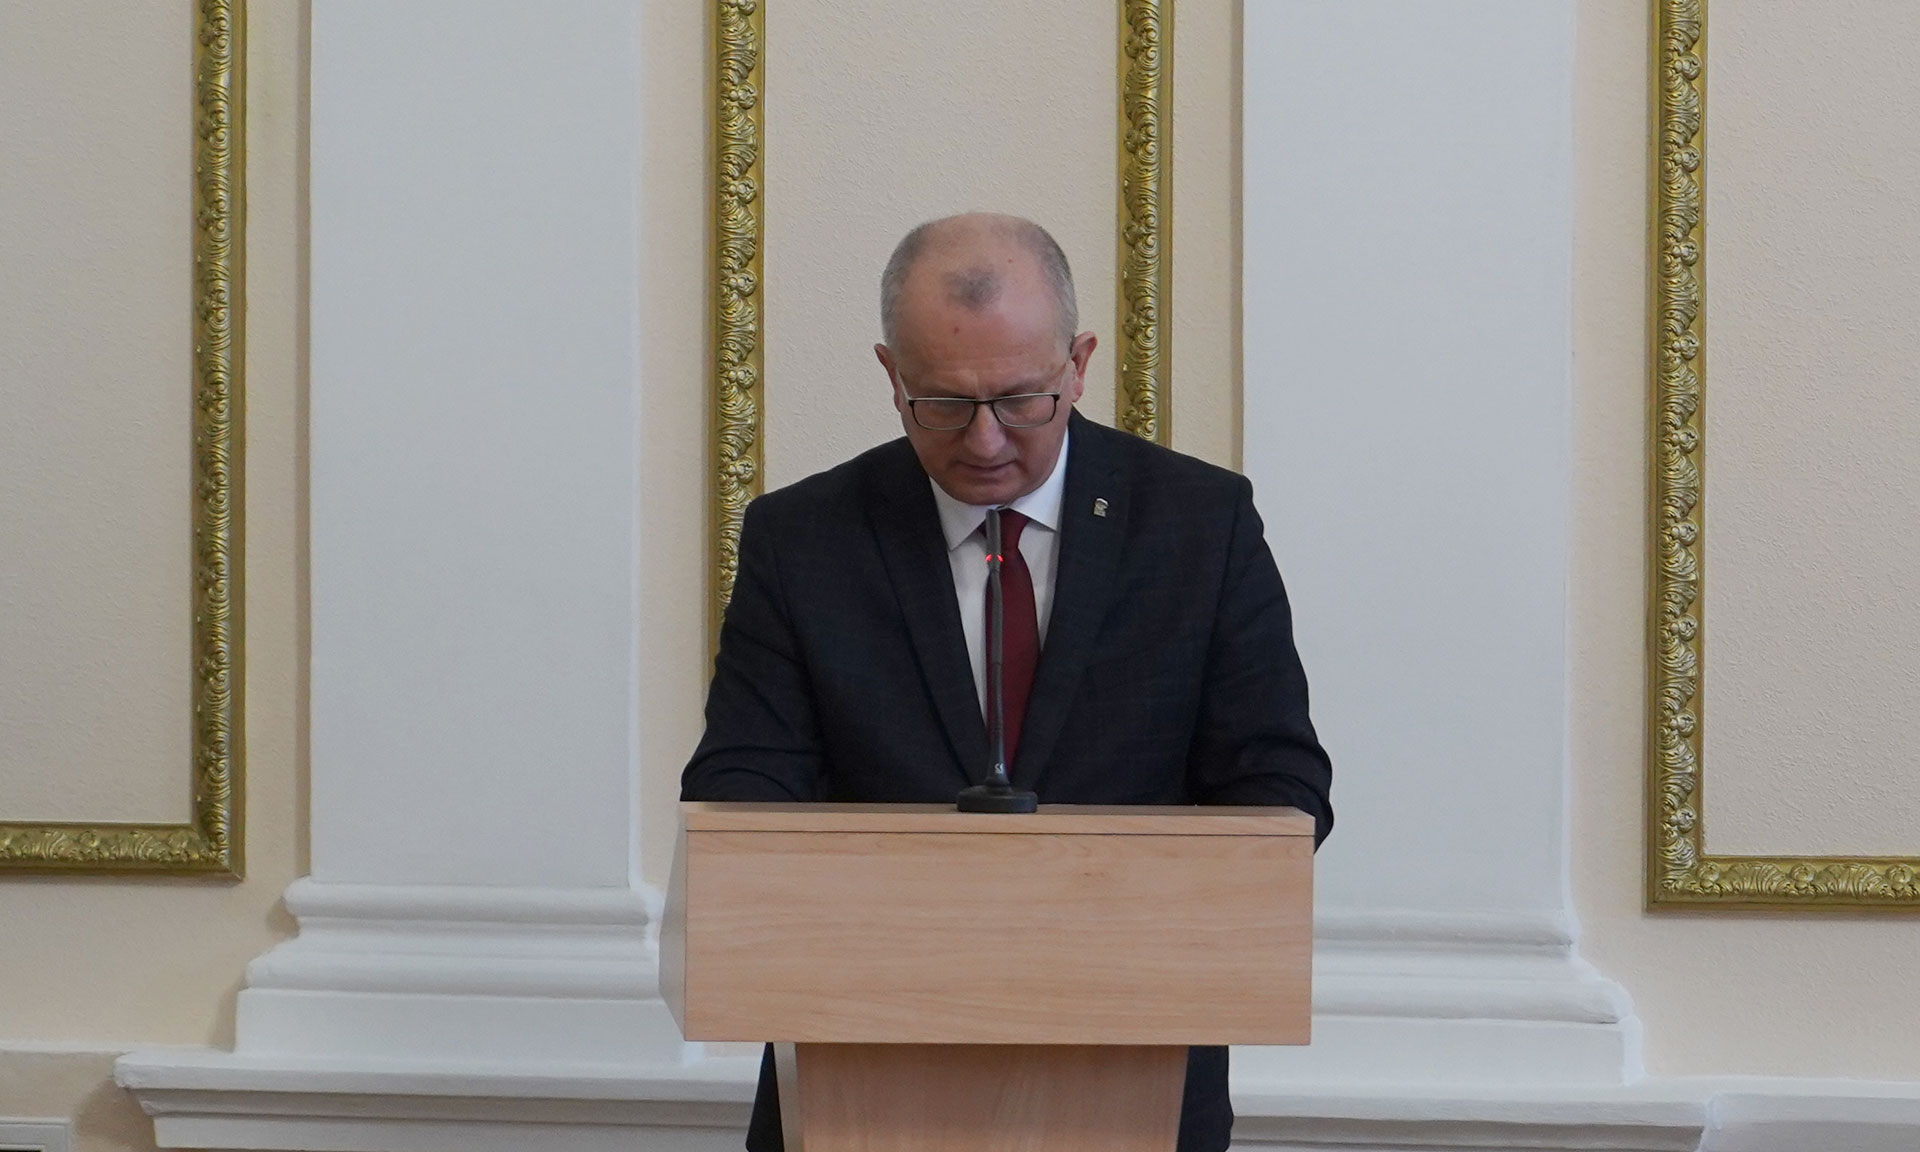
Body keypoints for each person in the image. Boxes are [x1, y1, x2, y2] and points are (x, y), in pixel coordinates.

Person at [682, 212, 1332, 1152]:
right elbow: (742, 788)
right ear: (891, 375)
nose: (985, 441)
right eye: (942, 404)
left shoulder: (1199, 524)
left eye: (1022, 400)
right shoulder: (806, 538)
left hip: (1135, 1064)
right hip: (860, 1068)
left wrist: (1098, 905)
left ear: (1079, 363)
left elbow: (1280, 786)